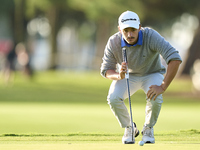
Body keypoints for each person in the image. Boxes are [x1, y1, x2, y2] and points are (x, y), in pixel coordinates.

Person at [100, 10, 182, 144]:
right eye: (126, 30)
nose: (130, 34)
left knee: (156, 97)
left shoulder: (151, 36)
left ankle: (148, 128)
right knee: (113, 98)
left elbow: (175, 58)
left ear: (139, 27)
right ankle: (130, 128)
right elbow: (106, 69)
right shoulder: (113, 42)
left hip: (152, 73)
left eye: (133, 30)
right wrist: (118, 75)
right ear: (120, 29)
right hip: (127, 76)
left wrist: (163, 86)